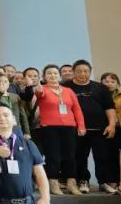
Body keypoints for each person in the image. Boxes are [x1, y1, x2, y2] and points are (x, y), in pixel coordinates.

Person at [64, 60, 118, 194]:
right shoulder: (65, 87)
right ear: (73, 72)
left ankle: (103, 182)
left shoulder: (100, 87)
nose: (83, 74)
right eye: (79, 71)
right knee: (80, 156)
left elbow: (109, 107)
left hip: (100, 129)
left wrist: (111, 125)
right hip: (77, 129)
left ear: (90, 71)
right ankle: (83, 180)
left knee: (102, 156)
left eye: (86, 71)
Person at [34, 65, 85, 196]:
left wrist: (81, 126)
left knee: (70, 156)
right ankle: (53, 183)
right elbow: (39, 94)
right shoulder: (42, 89)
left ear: (59, 76)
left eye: (55, 73)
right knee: (53, 156)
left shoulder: (68, 90)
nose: (53, 75)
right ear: (44, 76)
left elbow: (77, 109)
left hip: (69, 127)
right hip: (49, 128)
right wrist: (38, 90)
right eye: (49, 73)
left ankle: (71, 183)